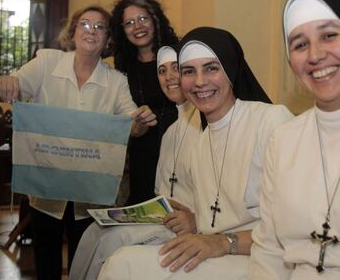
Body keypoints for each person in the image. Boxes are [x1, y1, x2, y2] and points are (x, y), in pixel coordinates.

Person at [98, 27, 293, 280]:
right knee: (121, 258)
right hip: (217, 252)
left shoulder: (271, 120)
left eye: (211, 68)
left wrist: (224, 242)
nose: (199, 81)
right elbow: (210, 219)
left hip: (264, 259)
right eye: (189, 71)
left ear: (231, 69)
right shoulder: (200, 141)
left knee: (124, 265)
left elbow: (294, 225)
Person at [0, 5, 156, 280]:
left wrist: (139, 122)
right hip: (46, 191)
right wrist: (2, 83)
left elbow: (132, 123)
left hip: (90, 194)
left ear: (108, 39)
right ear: (74, 31)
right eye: (84, 24)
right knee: (46, 259)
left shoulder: (116, 81)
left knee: (85, 262)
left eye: (100, 27)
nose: (91, 31)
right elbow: (6, 87)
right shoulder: (46, 62)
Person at [250, 0, 340, 279]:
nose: (315, 55)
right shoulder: (283, 139)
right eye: (300, 44)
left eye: (329, 35)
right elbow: (268, 249)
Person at [69, 46, 201, 280]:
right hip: (167, 217)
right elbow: (162, 189)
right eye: (162, 70)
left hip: (189, 225)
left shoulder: (205, 123)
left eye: (176, 68)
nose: (169, 76)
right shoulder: (170, 132)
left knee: (113, 244)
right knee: (94, 231)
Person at [111, 0, 179, 205]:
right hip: (142, 153)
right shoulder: (122, 68)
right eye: (129, 23)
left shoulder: (178, 55)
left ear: (155, 19)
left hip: (179, 146)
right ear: (123, 31)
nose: (137, 26)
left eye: (143, 19)